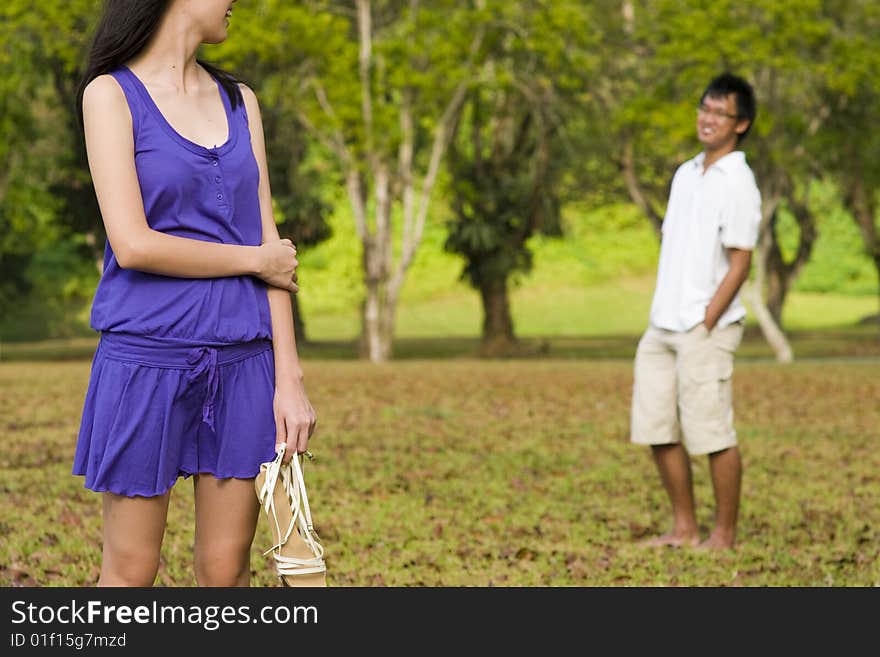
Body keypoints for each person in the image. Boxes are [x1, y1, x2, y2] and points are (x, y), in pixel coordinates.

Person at [72, 0, 317, 586]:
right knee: (132, 570)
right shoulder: (110, 95)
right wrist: (256, 260)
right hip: (144, 360)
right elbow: (133, 244)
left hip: (245, 362)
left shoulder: (240, 101)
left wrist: (289, 379)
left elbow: (272, 250)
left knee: (225, 571)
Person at [630, 72, 761, 551]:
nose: (708, 119)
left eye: (719, 113)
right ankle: (684, 529)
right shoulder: (686, 173)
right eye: (704, 109)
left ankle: (722, 535)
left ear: (740, 124)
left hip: (703, 326)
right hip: (661, 322)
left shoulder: (739, 182)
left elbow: (740, 261)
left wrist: (707, 319)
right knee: (655, 426)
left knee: (710, 431)